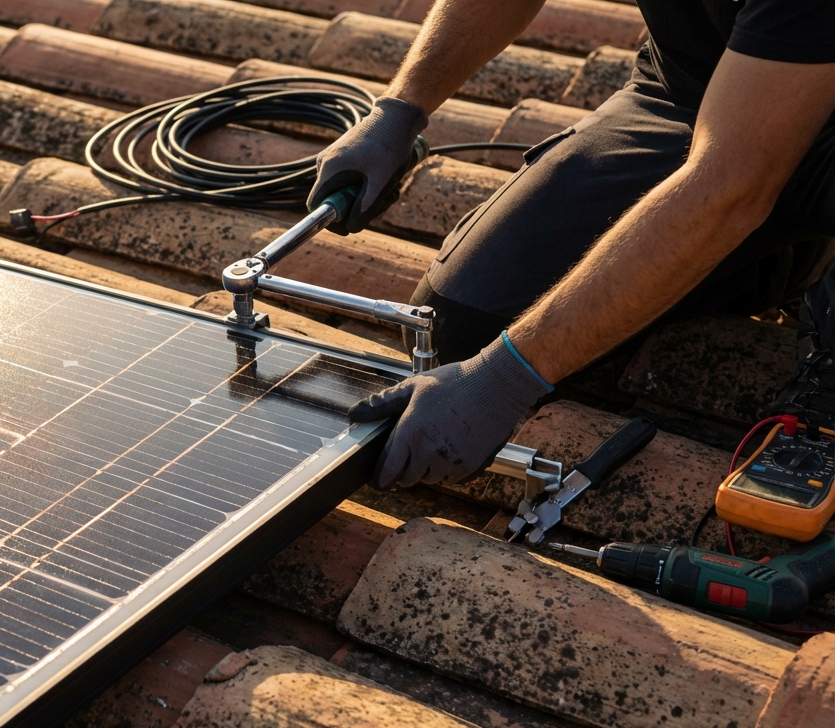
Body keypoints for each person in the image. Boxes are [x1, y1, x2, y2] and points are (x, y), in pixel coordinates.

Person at [309, 0, 835, 488]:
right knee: (460, 325)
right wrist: (401, 108)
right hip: (690, 94)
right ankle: (779, 256)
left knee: (503, 361)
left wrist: (509, 377)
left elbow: (727, 185)